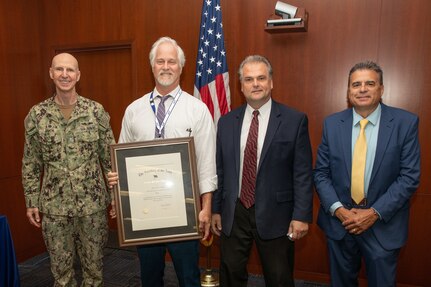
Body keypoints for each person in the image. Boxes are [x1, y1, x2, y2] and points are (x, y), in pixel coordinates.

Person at [107, 37, 216, 287]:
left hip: (185, 212)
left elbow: (207, 163)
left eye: (171, 61)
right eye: (160, 61)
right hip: (144, 212)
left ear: (181, 67)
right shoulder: (134, 110)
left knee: (189, 277)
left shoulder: (197, 110)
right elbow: (121, 161)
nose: (166, 66)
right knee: (150, 277)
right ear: (152, 66)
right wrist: (116, 186)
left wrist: (206, 207)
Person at [313, 61, 421, 287]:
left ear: (381, 89)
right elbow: (321, 173)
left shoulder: (405, 123)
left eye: (369, 84)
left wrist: (373, 213)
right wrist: (339, 210)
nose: (362, 89)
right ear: (348, 90)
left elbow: (409, 177)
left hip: (382, 225)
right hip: (340, 224)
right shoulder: (332, 124)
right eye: (356, 84)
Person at [211, 55, 314, 287]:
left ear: (271, 82)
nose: (255, 84)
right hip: (234, 211)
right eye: (249, 79)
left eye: (260, 78)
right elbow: (221, 169)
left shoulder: (294, 120)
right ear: (241, 86)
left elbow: (303, 173)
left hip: (277, 213)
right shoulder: (226, 122)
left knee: (279, 277)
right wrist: (216, 209)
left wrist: (301, 216)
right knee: (230, 272)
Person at [22, 53, 116, 286]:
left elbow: (110, 160)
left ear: (78, 75)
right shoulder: (38, 115)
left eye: (70, 70)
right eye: (60, 69)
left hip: (92, 208)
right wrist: (31, 201)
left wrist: (116, 197)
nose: (65, 74)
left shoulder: (95, 112)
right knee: (61, 275)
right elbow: (31, 162)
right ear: (51, 73)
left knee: (94, 273)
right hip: (55, 208)